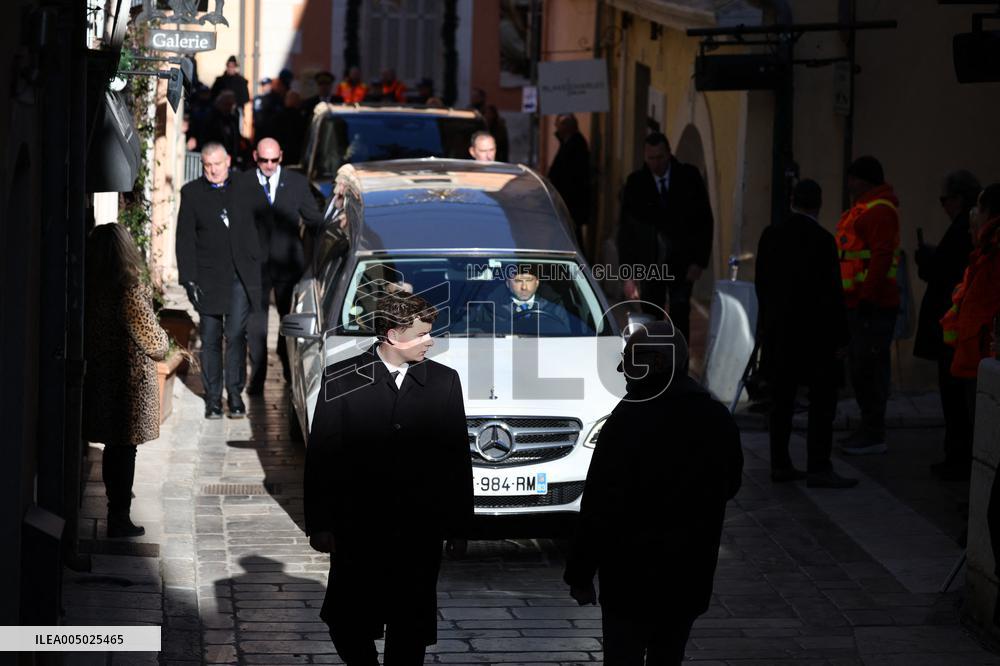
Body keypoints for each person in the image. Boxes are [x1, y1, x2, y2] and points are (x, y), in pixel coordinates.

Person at [304, 293, 473, 665]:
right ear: (393, 336)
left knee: (409, 628)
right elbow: (322, 457)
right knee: (347, 622)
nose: (431, 341)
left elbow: (455, 458)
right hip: (359, 530)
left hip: (417, 532)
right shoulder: (343, 378)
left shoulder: (444, 382)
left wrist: (459, 527)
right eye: (422, 334)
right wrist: (320, 523)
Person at [564, 322, 743, 665]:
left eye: (629, 358)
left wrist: (580, 574)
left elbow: (600, 504)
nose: (621, 368)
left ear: (657, 363)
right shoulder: (714, 417)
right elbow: (729, 484)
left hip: (630, 579)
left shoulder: (629, 418)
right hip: (688, 576)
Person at [755, 179, 857, 488]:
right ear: (819, 204)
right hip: (817, 336)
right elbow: (832, 293)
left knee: (781, 399)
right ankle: (818, 466)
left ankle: (780, 463)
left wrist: (769, 325)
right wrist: (841, 338)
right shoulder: (824, 240)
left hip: (781, 333)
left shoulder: (771, 236)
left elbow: (762, 284)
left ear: (791, 201)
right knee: (821, 401)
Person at [83, 223, 169, 538]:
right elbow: (156, 344)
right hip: (126, 388)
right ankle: (119, 516)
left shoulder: (87, 288)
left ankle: (115, 510)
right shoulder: (127, 291)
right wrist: (164, 337)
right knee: (123, 450)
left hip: (100, 379)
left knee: (112, 448)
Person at [176, 143, 269, 419]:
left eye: (217, 164)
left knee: (237, 335)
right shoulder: (192, 193)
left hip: (240, 276)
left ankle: (235, 394)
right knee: (211, 339)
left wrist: (257, 257)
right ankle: (213, 399)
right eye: (207, 165)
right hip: (208, 277)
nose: (213, 170)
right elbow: (185, 240)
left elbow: (265, 222)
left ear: (227, 161)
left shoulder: (246, 185)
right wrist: (188, 280)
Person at [245, 138, 325, 394]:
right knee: (256, 324)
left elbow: (314, 221)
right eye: (263, 160)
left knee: (288, 323)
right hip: (255, 264)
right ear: (255, 157)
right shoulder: (244, 183)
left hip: (287, 265)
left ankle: (291, 374)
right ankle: (257, 379)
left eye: (274, 160)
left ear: (281, 156)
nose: (269, 165)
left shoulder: (298, 184)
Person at [915, 170, 980, 479]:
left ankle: (958, 459)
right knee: (957, 400)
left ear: (959, 199)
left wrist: (928, 259)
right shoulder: (967, 230)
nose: (943, 206)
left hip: (955, 334)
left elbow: (944, 272)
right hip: (957, 331)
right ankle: (958, 456)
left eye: (945, 200)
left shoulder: (963, 230)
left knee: (955, 400)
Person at [618, 132, 714, 342]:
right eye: (651, 158)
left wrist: (699, 261)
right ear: (645, 157)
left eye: (660, 157)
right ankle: (654, 362)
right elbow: (626, 231)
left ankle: (679, 364)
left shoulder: (688, 177)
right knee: (651, 316)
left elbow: (704, 220)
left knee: (680, 314)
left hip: (682, 261)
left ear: (669, 154)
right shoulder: (636, 183)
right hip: (649, 262)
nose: (656, 163)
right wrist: (628, 273)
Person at [836, 156, 901, 455]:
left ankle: (873, 432)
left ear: (865, 181)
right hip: (860, 303)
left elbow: (881, 257)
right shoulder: (864, 211)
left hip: (871, 307)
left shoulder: (879, 212)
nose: (849, 185)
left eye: (853, 179)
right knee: (861, 367)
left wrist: (867, 299)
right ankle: (868, 429)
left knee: (869, 367)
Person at [941, 183, 1000, 451]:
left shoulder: (992, 251)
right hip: (976, 358)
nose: (974, 214)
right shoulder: (984, 251)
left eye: (980, 207)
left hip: (984, 359)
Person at [548, 113, 591, 249]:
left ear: (567, 127)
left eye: (558, 125)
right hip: (567, 201)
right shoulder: (568, 142)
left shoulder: (576, 144)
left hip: (571, 202)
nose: (556, 128)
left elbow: (571, 176)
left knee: (572, 237)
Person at [202, 90, 242, 163]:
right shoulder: (212, 117)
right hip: (215, 153)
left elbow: (236, 136)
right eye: (227, 104)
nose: (230, 107)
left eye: (231, 104)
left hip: (231, 155)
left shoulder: (233, 118)